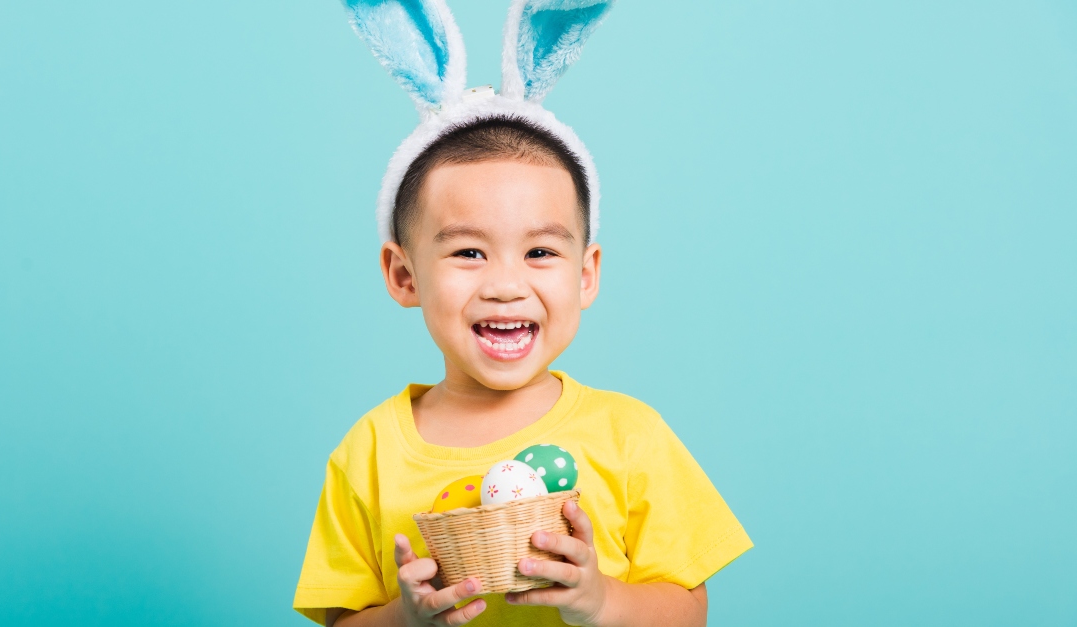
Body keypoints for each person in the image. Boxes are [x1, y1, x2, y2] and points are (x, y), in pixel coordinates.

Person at [295, 2, 750, 626]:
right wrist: (405, 619)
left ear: (585, 275)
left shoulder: (630, 437)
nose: (506, 286)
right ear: (404, 275)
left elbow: (689, 614)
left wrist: (602, 600)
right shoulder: (369, 454)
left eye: (540, 252)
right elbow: (339, 621)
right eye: (468, 252)